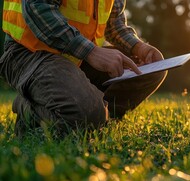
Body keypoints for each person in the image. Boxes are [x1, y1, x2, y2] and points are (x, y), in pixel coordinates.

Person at [0, 0, 167, 137]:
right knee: (88, 116)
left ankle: (102, 121)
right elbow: (37, 7)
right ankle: (29, 107)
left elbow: (114, 23)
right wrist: (91, 52)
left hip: (78, 55)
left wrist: (139, 48)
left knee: (152, 71)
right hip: (28, 52)